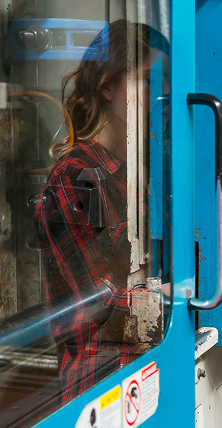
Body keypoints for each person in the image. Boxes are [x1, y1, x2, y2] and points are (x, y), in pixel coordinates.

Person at [36, 20, 165, 404]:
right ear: (107, 86)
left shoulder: (146, 166)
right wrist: (187, 297)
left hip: (155, 365)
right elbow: (102, 307)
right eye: (146, 80)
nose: (160, 95)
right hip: (105, 386)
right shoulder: (75, 177)